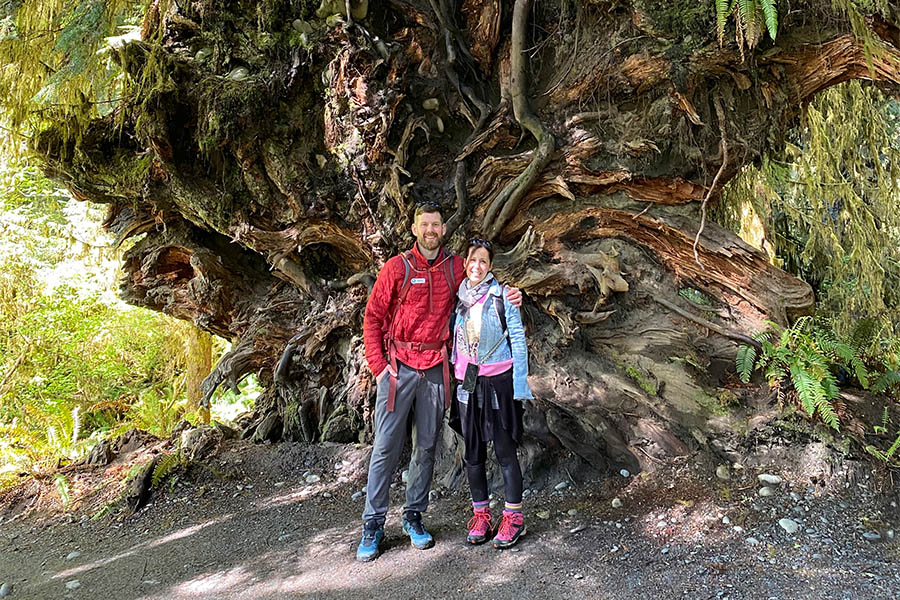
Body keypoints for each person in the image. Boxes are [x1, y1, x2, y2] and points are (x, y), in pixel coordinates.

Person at [358, 202, 521, 562]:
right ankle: (373, 524)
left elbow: (483, 281)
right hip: (398, 367)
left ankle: (413, 517)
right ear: (414, 229)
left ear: (444, 230)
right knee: (385, 446)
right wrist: (379, 367)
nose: (430, 230)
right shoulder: (397, 267)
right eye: (425, 225)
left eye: (436, 225)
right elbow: (372, 317)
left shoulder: (454, 268)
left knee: (427, 446)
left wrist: (512, 294)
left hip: (435, 368)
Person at [452, 238, 533, 549]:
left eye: (483, 261)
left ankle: (514, 517)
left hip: (498, 383)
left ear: (490, 266)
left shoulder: (503, 297)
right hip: (467, 384)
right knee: (473, 453)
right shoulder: (459, 297)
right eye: (473, 260)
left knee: (504, 450)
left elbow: (518, 340)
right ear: (465, 263)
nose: (477, 266)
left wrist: (520, 385)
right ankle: (481, 515)